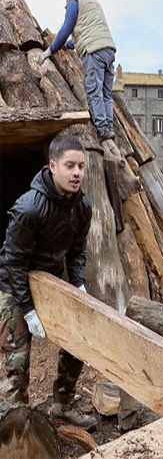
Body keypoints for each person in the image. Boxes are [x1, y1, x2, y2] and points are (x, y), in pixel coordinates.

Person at [0, 134, 97, 429]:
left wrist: (78, 284)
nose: (77, 172)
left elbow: (78, 251)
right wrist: (27, 310)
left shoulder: (82, 207)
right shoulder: (28, 208)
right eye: (70, 165)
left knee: (77, 342)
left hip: (51, 281)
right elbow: (13, 262)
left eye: (81, 166)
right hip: (13, 285)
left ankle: (62, 405)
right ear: (52, 166)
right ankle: (16, 421)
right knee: (18, 356)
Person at [38, 0, 117, 141]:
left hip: (94, 52)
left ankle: (102, 129)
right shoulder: (92, 1)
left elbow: (65, 29)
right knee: (106, 93)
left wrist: (50, 50)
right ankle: (109, 127)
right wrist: (69, 45)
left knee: (93, 90)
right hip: (108, 49)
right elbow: (88, 31)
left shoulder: (74, 1)